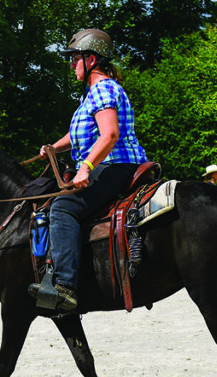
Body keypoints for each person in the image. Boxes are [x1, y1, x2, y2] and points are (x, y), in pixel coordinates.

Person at [28, 28, 148, 311]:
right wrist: (54, 148)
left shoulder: (103, 89)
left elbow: (109, 135)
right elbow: (80, 134)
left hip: (115, 166)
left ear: (91, 59)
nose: (71, 65)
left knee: (63, 208)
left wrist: (85, 167)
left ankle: (65, 287)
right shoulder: (91, 94)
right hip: (107, 164)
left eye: (74, 59)